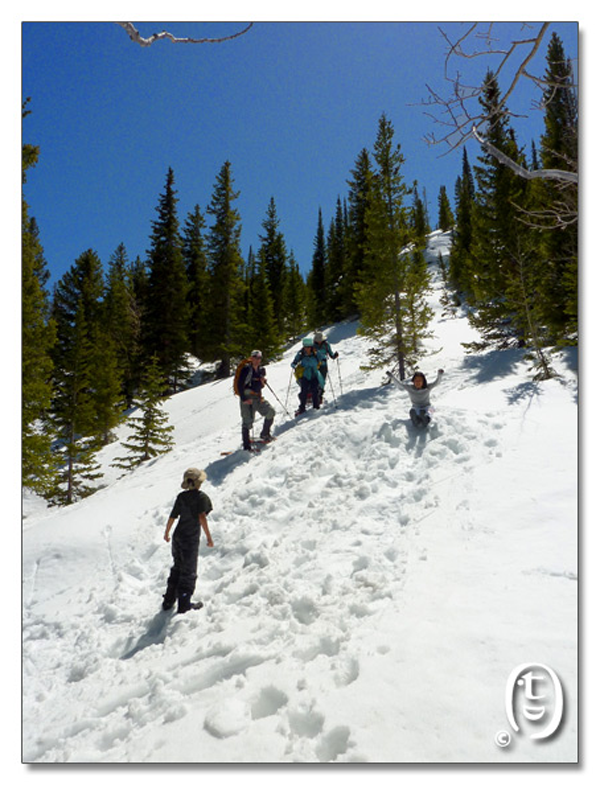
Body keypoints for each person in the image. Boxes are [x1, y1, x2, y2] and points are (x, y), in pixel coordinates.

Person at [162, 468, 214, 614]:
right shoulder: (202, 497)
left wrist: (167, 532)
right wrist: (209, 538)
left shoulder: (181, 497)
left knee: (177, 566)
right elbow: (202, 517)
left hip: (178, 536)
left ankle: (169, 600)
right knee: (189, 571)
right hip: (190, 538)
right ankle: (184, 603)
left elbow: (173, 516)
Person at [237, 349, 276, 451]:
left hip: (257, 397)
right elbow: (239, 384)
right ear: (251, 358)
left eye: (259, 358)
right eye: (255, 357)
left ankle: (265, 434)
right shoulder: (246, 369)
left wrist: (262, 382)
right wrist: (244, 399)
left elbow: (259, 386)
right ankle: (246, 446)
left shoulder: (260, 370)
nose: (257, 360)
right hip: (247, 396)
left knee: (270, 412)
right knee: (247, 421)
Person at [291, 337, 324, 415]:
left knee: (314, 390)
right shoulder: (300, 354)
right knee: (304, 391)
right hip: (305, 375)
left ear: (311, 346)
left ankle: (316, 406)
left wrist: (324, 360)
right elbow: (295, 361)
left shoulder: (316, 353)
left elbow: (322, 358)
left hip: (314, 374)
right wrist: (293, 365)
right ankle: (302, 408)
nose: (307, 348)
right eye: (306, 347)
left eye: (309, 347)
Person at [313, 331, 339, 403]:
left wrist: (334, 356)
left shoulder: (326, 345)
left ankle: (319, 396)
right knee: (314, 381)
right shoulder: (313, 346)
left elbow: (331, 354)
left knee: (322, 381)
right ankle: (315, 396)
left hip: (323, 365)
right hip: (314, 365)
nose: (319, 342)